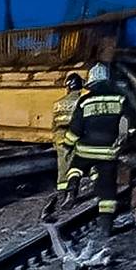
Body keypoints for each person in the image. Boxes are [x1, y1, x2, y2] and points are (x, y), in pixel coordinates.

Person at [62, 61, 136, 260]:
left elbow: (75, 128)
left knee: (75, 167)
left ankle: (72, 188)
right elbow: (132, 122)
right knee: (107, 190)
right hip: (108, 151)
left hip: (86, 148)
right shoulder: (120, 98)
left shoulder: (85, 101)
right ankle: (106, 225)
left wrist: (67, 145)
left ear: (91, 81)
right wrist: (126, 137)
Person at [42, 72, 84, 219]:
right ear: (80, 87)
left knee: (63, 163)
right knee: (76, 162)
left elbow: (53, 124)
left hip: (60, 136)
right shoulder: (81, 101)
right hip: (75, 133)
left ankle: (62, 192)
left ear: (67, 87)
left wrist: (55, 140)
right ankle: (76, 190)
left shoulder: (58, 103)